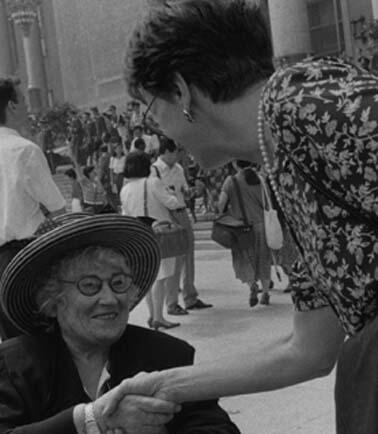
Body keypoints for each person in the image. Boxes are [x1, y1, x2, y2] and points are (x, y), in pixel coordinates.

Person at [102, 1, 378, 433]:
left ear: (181, 91)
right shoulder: (281, 162)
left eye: (150, 110)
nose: (158, 132)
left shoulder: (303, 102)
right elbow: (307, 350)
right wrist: (165, 385)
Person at [0, 213, 240, 433]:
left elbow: (216, 427)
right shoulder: (14, 367)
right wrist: (91, 420)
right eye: (90, 285)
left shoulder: (168, 356)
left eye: (118, 283)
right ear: (52, 299)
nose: (109, 299)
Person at [0, 77, 66, 339]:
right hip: (25, 258)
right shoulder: (24, 151)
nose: (28, 107)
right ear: (12, 105)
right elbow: (59, 209)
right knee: (41, 340)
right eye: (24, 100)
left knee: (12, 345)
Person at [121, 152, 182, 330]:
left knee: (148, 277)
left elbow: (126, 214)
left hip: (138, 234)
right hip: (158, 232)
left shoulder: (125, 189)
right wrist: (173, 194)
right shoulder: (152, 182)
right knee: (160, 277)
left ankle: (152, 314)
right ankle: (158, 317)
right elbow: (171, 203)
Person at [152, 137, 213, 315]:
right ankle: (172, 303)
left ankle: (190, 296)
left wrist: (190, 192)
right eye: (176, 153)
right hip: (167, 215)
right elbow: (158, 195)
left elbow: (183, 189)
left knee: (189, 253)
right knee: (174, 260)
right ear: (167, 152)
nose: (178, 156)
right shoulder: (154, 171)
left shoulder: (178, 169)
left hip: (181, 211)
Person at [218, 160, 272, 306]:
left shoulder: (231, 181)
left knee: (245, 259)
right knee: (263, 259)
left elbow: (221, 203)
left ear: (236, 164)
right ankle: (266, 293)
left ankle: (252, 285)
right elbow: (268, 203)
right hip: (261, 225)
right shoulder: (260, 179)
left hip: (241, 227)